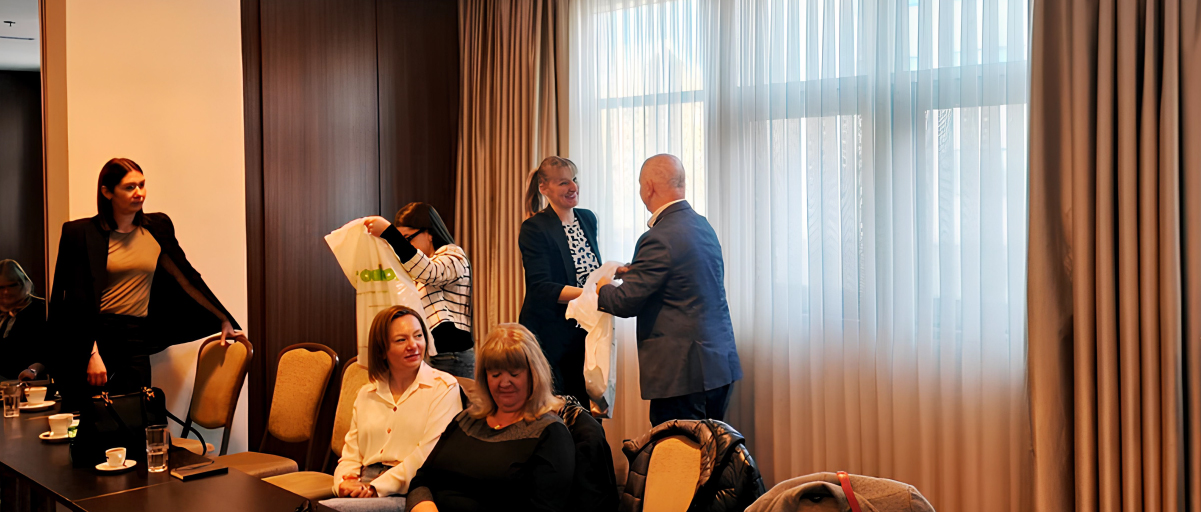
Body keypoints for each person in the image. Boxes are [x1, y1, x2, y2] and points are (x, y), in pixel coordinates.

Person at [49, 158, 239, 409]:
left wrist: (223, 318)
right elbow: (72, 301)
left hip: (135, 338)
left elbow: (185, 277)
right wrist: (91, 353)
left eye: (142, 184)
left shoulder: (157, 227)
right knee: (92, 420)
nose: (139, 193)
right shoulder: (80, 233)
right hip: (95, 337)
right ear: (107, 192)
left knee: (135, 416)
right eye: (130, 187)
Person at [596, 154, 742, 426]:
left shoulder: (658, 237)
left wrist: (602, 287)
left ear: (649, 187)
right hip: (717, 364)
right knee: (711, 447)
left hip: (683, 374)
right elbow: (683, 276)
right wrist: (635, 271)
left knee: (677, 450)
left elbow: (625, 303)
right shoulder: (701, 225)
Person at [405, 323, 575, 512]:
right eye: (495, 374)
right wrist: (424, 507)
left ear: (534, 374)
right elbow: (422, 480)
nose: (504, 383)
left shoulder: (550, 433)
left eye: (514, 373)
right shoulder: (465, 420)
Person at [322, 306, 463, 512]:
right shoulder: (367, 393)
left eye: (418, 336)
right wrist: (344, 482)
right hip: (365, 485)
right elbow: (351, 454)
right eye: (401, 340)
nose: (413, 345)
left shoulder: (443, 388)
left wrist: (375, 488)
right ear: (381, 350)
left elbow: (427, 456)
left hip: (411, 490)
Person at [517, 156, 601, 407]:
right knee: (558, 407)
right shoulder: (534, 228)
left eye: (574, 180)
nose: (573, 187)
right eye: (563, 183)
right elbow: (541, 288)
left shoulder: (588, 219)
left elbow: (589, 272)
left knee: (586, 409)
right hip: (550, 334)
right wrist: (591, 294)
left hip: (583, 330)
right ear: (544, 188)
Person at [365, 203, 473, 378]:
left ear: (429, 234)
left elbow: (430, 272)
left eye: (407, 239)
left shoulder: (453, 255)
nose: (404, 245)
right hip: (429, 353)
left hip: (452, 355)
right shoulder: (414, 269)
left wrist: (389, 233)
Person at [0, 260, 48, 381]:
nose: (6, 292)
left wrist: (34, 370)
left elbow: (50, 352)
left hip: (32, 386)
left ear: (23, 284)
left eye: (12, 285)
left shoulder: (41, 309)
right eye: (1, 287)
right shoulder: (5, 315)